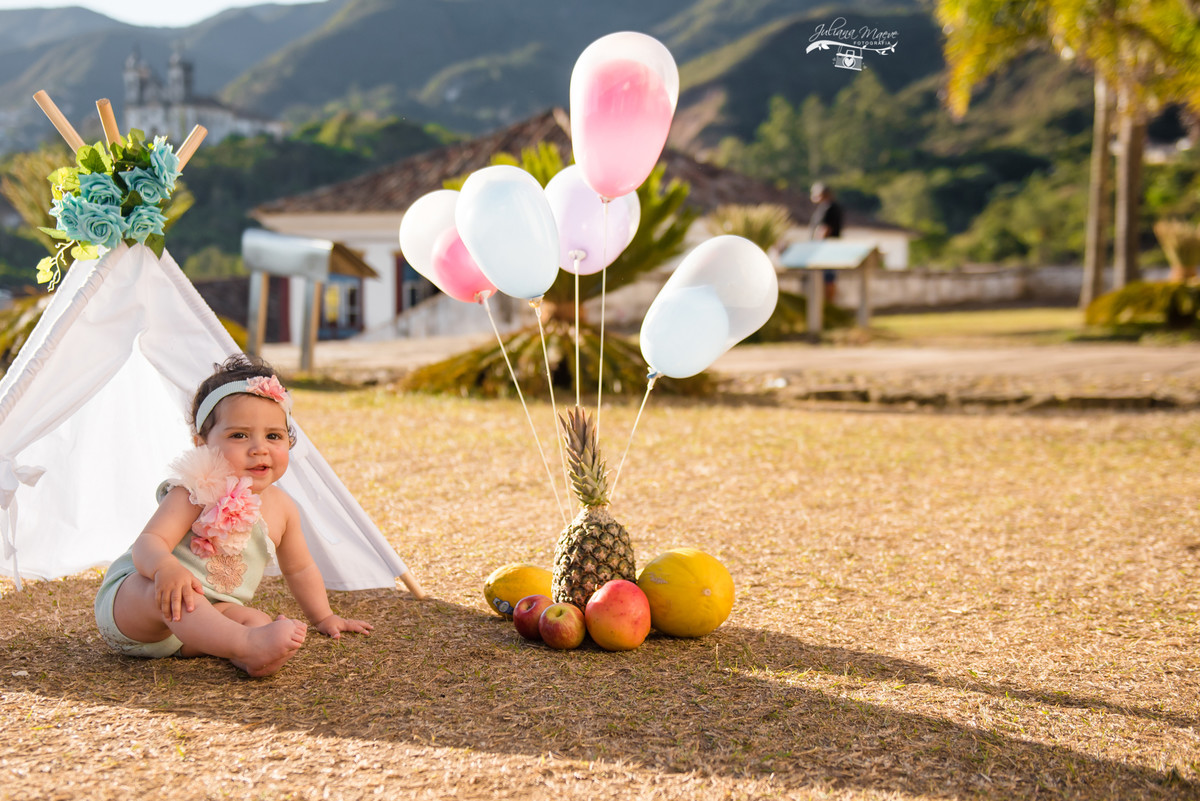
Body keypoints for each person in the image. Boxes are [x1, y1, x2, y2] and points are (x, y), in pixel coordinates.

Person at [94, 354, 372, 676]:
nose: (259, 448)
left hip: (196, 628)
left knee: (256, 620)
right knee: (175, 597)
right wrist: (165, 569)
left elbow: (299, 568)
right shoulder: (195, 489)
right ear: (202, 444)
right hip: (139, 606)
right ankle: (245, 644)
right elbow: (149, 542)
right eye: (239, 435)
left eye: (273, 436)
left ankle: (249, 653)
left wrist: (324, 617)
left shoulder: (283, 509)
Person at [809, 182, 843, 303]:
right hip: (825, 250)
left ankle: (829, 305)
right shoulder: (825, 207)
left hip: (826, 251)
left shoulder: (830, 207)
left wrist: (815, 247)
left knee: (828, 279)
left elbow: (825, 229)